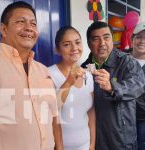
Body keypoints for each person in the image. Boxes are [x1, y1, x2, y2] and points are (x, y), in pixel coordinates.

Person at [0, 1, 63, 150]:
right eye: (20, 22)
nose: (29, 28)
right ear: (4, 29)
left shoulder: (44, 71)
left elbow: (53, 116)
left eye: (33, 24)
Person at [82, 21, 145, 150]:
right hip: (95, 135)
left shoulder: (127, 61)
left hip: (121, 135)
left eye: (106, 37)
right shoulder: (83, 68)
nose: (102, 43)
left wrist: (112, 87)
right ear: (89, 43)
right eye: (96, 39)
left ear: (112, 39)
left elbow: (137, 85)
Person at [48, 26, 95, 150]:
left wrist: (92, 144)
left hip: (85, 145)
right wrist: (68, 82)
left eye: (78, 42)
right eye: (67, 44)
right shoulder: (49, 74)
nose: (74, 48)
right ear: (58, 49)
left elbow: (90, 112)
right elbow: (52, 111)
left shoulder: (88, 76)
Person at [131, 21, 145, 150]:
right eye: (139, 37)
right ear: (132, 39)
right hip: (121, 117)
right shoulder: (121, 59)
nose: (142, 41)